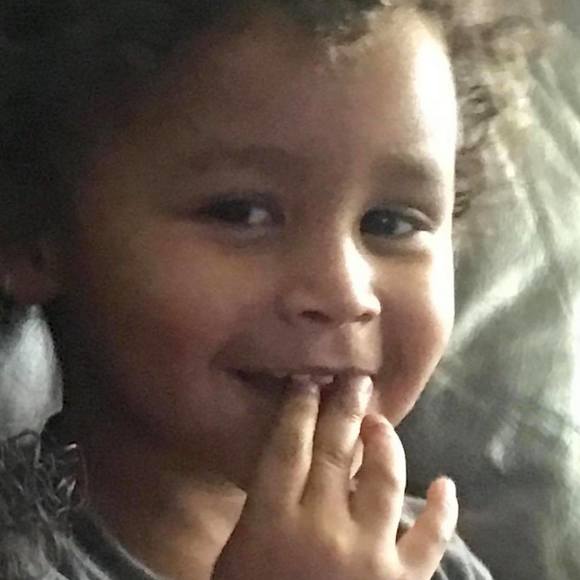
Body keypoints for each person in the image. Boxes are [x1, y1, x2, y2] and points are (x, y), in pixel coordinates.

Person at [0, 1, 529, 578]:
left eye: (390, 223)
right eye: (241, 213)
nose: (345, 293)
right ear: (36, 230)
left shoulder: (430, 560)